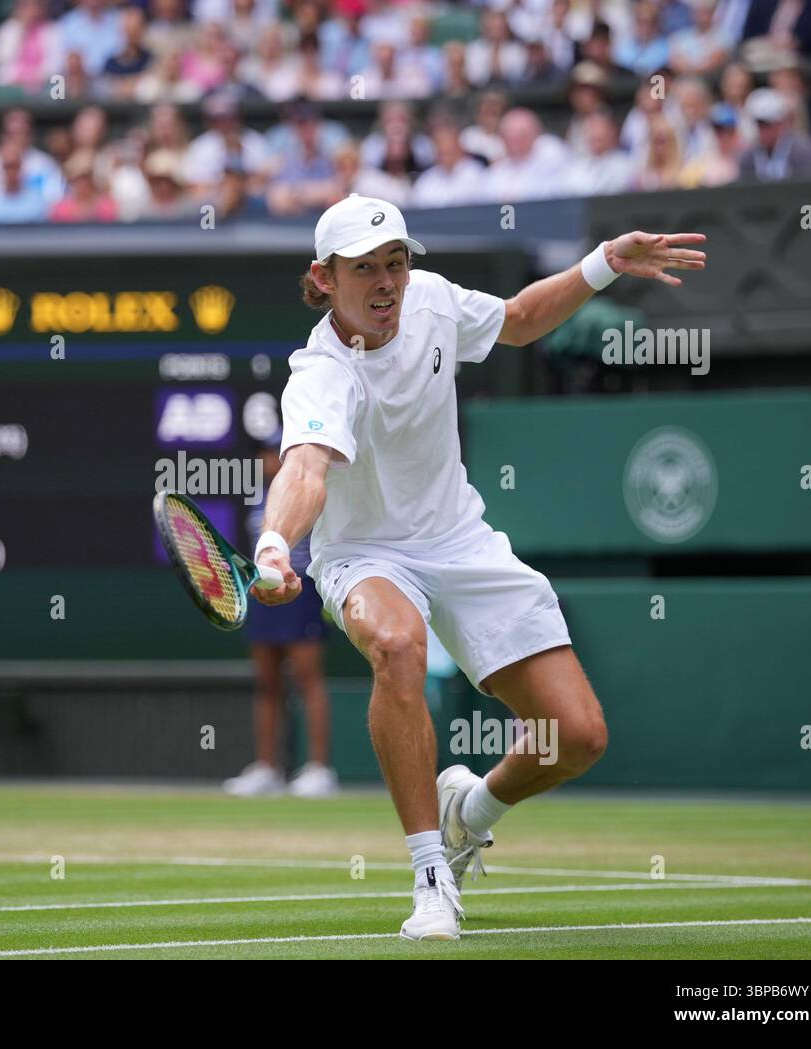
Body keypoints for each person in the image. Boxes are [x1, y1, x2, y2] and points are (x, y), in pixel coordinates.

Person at [251, 194, 704, 940]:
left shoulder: (432, 300)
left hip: (460, 540)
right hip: (365, 553)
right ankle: (430, 877)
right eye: (364, 268)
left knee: (577, 736)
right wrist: (276, 543)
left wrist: (601, 264)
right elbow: (305, 468)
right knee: (396, 645)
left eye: (396, 261)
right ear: (324, 278)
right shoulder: (320, 373)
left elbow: (520, 319)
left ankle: (471, 811)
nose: (387, 282)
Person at [223, 432, 336, 798]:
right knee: (267, 682)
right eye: (262, 454)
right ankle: (267, 768)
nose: (266, 460)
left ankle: (319, 769)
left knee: (307, 679)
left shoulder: (310, 492)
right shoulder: (258, 499)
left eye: (273, 453)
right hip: (262, 595)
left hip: (302, 593)